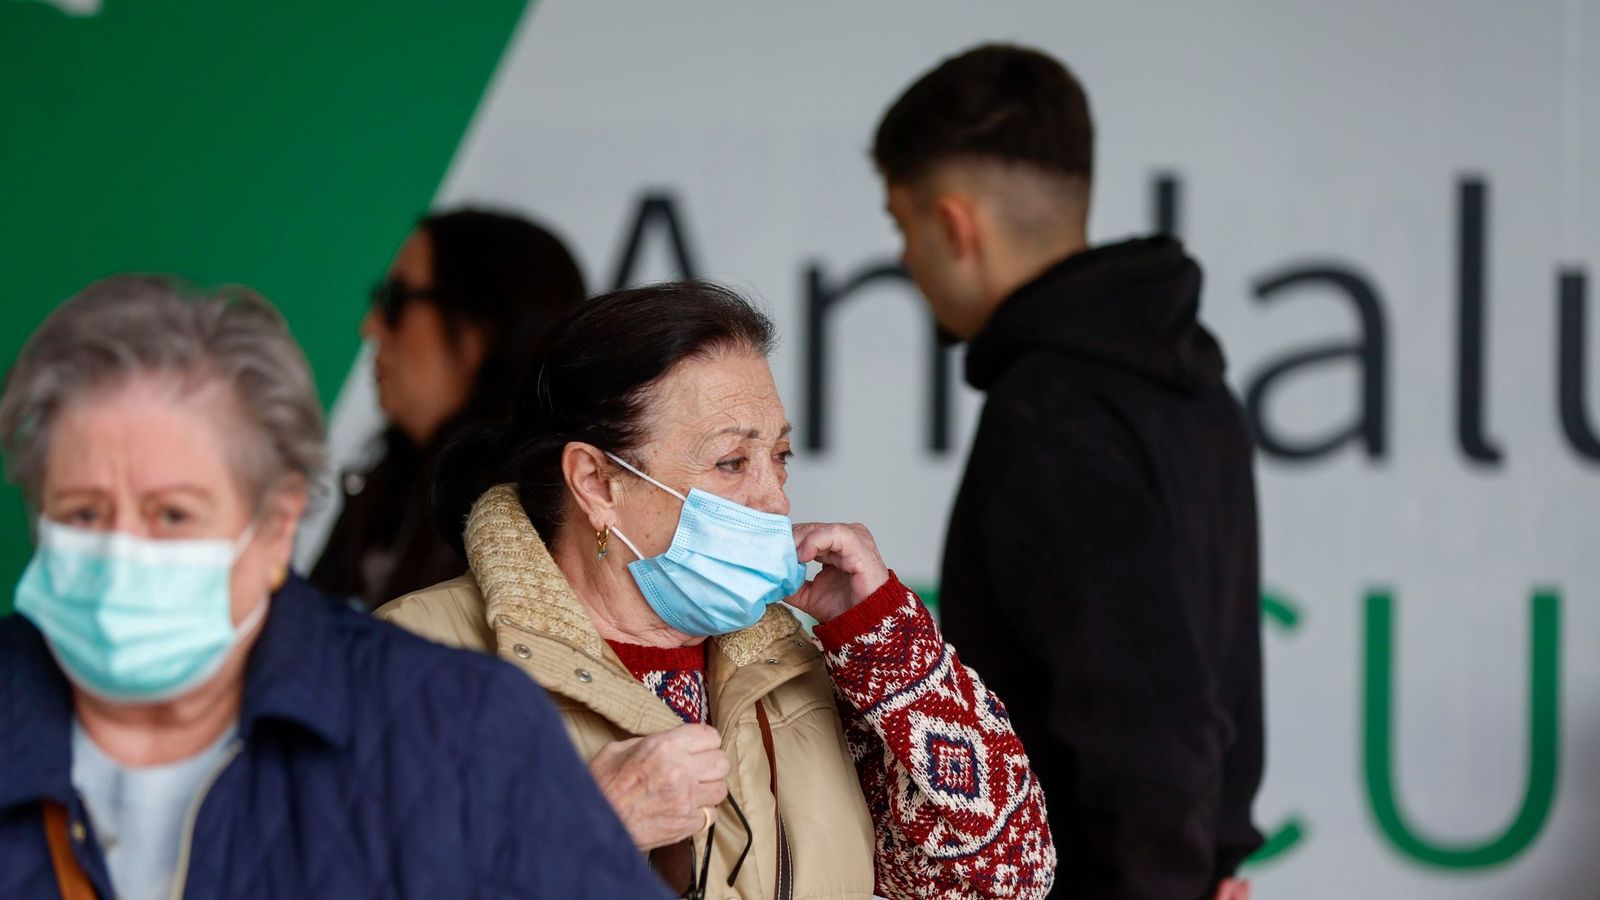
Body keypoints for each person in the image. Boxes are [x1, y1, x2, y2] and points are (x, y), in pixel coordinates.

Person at [377, 281, 1057, 899]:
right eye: (732, 462)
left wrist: (888, 643)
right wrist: (583, 827)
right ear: (595, 484)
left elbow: (1006, 880)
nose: (773, 496)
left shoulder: (799, 666)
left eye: (780, 457)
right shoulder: (409, 662)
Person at [0, 275, 670, 899]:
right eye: (84, 513)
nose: (124, 553)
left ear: (278, 521)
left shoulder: (459, 727)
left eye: (172, 514)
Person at [871, 44, 1264, 900]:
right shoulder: (1193, 382)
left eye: (901, 227)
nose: (905, 261)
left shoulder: (1050, 414)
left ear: (953, 225)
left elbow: (1145, 717)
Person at [311, 208, 587, 610]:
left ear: (480, 330)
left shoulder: (540, 522)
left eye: (395, 301)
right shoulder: (385, 484)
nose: (369, 327)